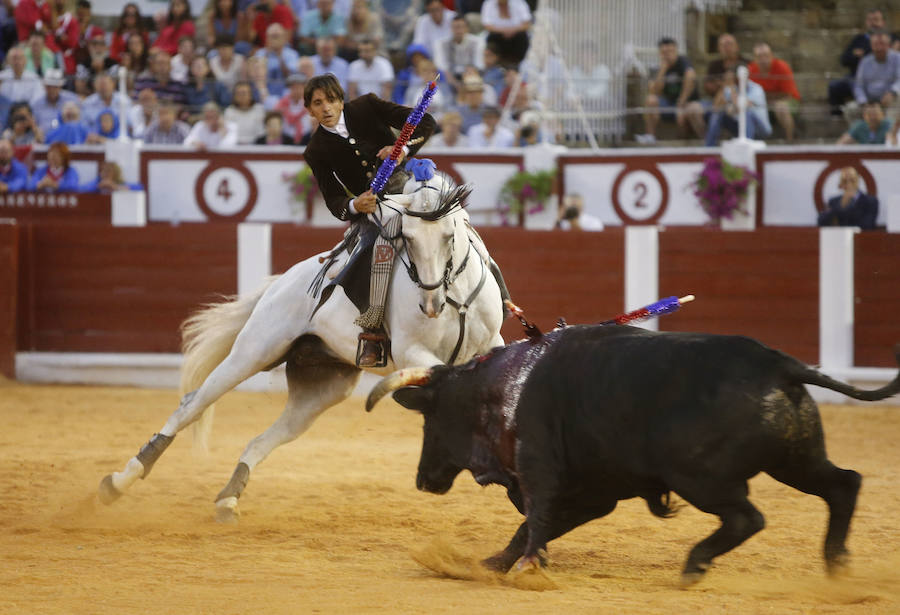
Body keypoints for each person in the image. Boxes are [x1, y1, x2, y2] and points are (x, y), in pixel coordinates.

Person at [301, 73, 435, 367]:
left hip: (409, 187)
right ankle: (372, 332)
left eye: (332, 100)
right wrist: (354, 204)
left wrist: (403, 151)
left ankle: (497, 293)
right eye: (318, 103)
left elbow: (426, 123)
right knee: (370, 254)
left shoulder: (366, 106)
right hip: (373, 210)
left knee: (449, 221)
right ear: (309, 110)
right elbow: (334, 199)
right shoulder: (315, 150)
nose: (326, 108)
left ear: (341, 100)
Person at [639, 37, 703, 143]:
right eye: (663, 52)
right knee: (650, 100)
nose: (667, 55)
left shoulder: (683, 62)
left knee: (683, 114)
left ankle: (685, 142)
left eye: (670, 51)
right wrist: (663, 70)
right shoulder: (659, 67)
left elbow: (690, 77)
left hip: (686, 102)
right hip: (669, 103)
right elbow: (654, 91)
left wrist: (681, 101)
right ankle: (650, 136)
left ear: (676, 50)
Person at [828, 8, 885, 115]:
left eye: (876, 20)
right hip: (856, 77)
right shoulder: (859, 39)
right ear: (866, 22)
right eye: (870, 20)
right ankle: (837, 118)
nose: (873, 23)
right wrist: (855, 56)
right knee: (835, 86)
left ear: (883, 22)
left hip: (880, 78)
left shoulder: (891, 38)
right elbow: (844, 59)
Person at [748, 42, 801, 142]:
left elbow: (787, 95)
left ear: (772, 56)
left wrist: (766, 98)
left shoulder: (782, 67)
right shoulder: (751, 69)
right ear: (754, 59)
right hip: (763, 103)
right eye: (759, 56)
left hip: (788, 101)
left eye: (766, 56)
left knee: (780, 107)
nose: (763, 60)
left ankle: (790, 140)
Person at [704, 68, 771, 145]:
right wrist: (724, 86)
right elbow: (715, 108)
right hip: (740, 128)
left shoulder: (756, 89)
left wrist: (731, 87)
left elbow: (741, 108)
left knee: (747, 113)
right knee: (718, 114)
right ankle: (709, 148)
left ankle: (745, 147)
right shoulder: (731, 88)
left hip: (760, 130)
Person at [434, 13, 483, 96]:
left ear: (467, 28)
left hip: (470, 76)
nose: (458, 30)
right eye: (455, 27)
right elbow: (441, 67)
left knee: (475, 82)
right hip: (449, 78)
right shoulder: (441, 44)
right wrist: (454, 83)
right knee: (439, 82)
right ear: (451, 29)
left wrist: (469, 75)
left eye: (461, 27)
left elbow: (479, 64)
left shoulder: (477, 42)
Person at [853, 30, 900, 109]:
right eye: (875, 44)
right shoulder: (865, 61)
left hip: (891, 98)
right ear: (871, 46)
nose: (879, 48)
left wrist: (892, 92)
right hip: (869, 101)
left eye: (882, 44)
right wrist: (863, 102)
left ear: (889, 45)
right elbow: (858, 85)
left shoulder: (897, 58)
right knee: (851, 109)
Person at [480, 0, 531, 67]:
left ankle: (519, 63)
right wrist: (504, 31)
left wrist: (512, 30)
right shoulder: (488, 3)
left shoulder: (520, 2)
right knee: (492, 37)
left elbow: (526, 24)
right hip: (497, 35)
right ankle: (496, 64)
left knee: (522, 36)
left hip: (517, 35)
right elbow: (487, 25)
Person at [254, 22, 299, 98]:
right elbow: (257, 75)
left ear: (284, 38)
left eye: (277, 36)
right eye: (272, 36)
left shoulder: (291, 54)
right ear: (267, 38)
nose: (275, 39)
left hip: (285, 88)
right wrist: (267, 53)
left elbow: (291, 76)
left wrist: (279, 55)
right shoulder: (261, 53)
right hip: (265, 87)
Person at [30, 69, 79, 135]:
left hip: (68, 138)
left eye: (55, 87)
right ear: (44, 86)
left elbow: (80, 121)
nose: (52, 90)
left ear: (60, 86)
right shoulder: (36, 104)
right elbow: (34, 125)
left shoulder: (72, 99)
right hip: (44, 140)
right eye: (49, 86)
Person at [275, 73, 310, 144]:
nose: (296, 90)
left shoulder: (310, 103)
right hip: (286, 140)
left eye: (299, 87)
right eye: (293, 87)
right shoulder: (281, 104)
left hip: (307, 139)